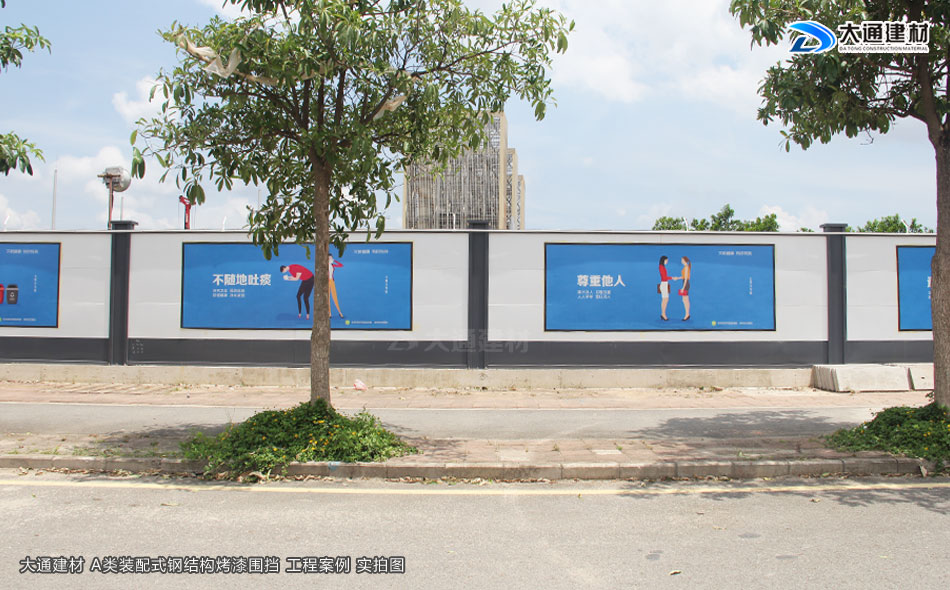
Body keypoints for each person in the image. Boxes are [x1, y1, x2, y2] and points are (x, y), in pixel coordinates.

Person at [658, 255, 678, 321]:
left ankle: (663, 314)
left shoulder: (662, 267)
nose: (667, 262)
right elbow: (664, 277)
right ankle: (663, 314)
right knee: (665, 299)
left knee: (665, 299)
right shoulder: (661, 267)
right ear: (663, 260)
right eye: (666, 260)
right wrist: (672, 278)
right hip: (664, 284)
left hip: (665, 284)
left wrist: (672, 278)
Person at [676, 256, 691, 321]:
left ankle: (687, 314)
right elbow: (684, 276)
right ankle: (687, 314)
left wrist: (683, 287)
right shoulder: (685, 267)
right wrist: (678, 278)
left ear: (685, 261)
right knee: (685, 300)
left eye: (682, 260)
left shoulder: (686, 267)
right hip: (685, 283)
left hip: (685, 284)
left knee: (685, 300)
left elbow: (686, 279)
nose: (681, 261)